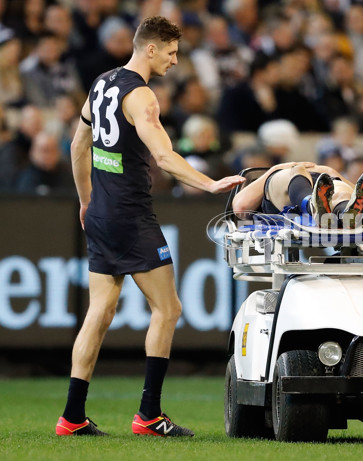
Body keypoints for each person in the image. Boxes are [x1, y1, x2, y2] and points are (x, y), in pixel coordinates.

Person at [56, 16, 245, 438]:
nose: (176, 61)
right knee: (169, 309)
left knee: (99, 312)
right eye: (172, 52)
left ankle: (71, 417)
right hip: (131, 215)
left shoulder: (101, 82)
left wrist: (86, 201)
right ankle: (149, 415)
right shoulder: (142, 97)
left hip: (103, 213)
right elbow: (164, 157)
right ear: (151, 49)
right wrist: (211, 183)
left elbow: (77, 146)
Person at [232, 162, 363, 229]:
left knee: (340, 190)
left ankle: (346, 213)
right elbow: (240, 207)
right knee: (297, 171)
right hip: (285, 191)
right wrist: (276, 169)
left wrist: (330, 171)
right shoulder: (277, 171)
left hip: (323, 183)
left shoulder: (325, 171)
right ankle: (313, 206)